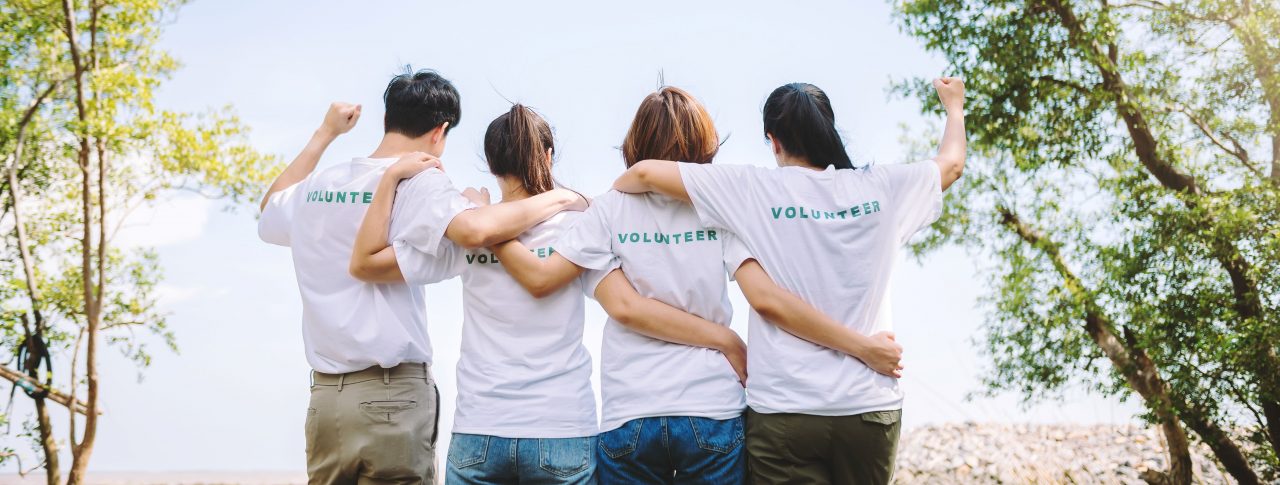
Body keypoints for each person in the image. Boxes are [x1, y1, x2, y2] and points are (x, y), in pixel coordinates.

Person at [487, 86, 907, 484]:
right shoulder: (722, 211)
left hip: (630, 410)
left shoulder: (608, 211)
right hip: (712, 405)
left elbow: (622, 307)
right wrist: (727, 340)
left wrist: (488, 222)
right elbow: (762, 293)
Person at [610, 78, 967, 484]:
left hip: (786, 409)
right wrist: (953, 108)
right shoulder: (884, 187)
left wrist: (610, 205)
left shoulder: (752, 189)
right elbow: (952, 164)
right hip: (868, 407)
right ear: (827, 129)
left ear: (772, 140)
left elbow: (643, 174)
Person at [258, 69, 584, 484]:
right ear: (440, 131)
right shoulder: (422, 182)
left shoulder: (319, 184)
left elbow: (269, 210)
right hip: (392, 394)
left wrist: (325, 134)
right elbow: (474, 231)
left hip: (325, 399)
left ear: (385, 121)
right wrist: (564, 197)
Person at [352, 104, 626, 484]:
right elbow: (624, 303)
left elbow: (365, 263)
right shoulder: (578, 224)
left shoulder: (465, 229)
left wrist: (393, 182)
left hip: (480, 427)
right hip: (561, 424)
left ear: (491, 164)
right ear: (547, 157)